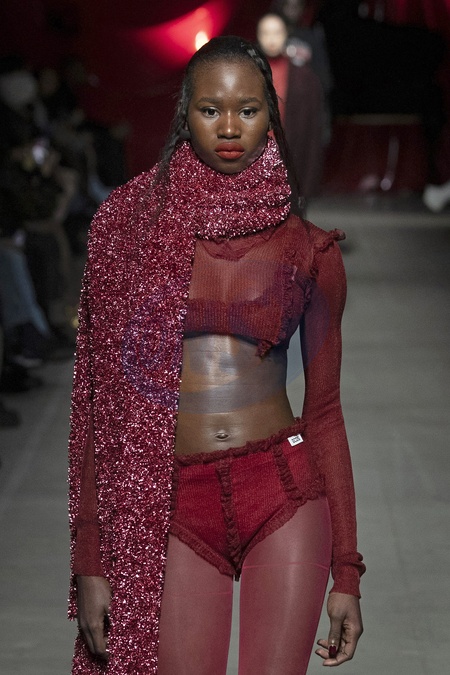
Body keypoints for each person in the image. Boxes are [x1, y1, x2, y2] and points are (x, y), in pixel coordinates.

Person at [68, 36, 365, 674]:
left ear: (270, 117)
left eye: (248, 110)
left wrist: (347, 572)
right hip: (169, 502)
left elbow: (325, 413)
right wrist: (90, 561)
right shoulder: (128, 232)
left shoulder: (310, 250)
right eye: (211, 110)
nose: (230, 127)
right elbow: (100, 406)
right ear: (185, 114)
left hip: (282, 491)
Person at [256, 13, 325, 208]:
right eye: (266, 33)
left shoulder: (305, 78)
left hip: (291, 159)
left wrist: (309, 184)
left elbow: (313, 133)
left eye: (277, 32)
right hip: (254, 159)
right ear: (258, 36)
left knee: (291, 217)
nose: (271, 39)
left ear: (286, 34)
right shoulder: (248, 74)